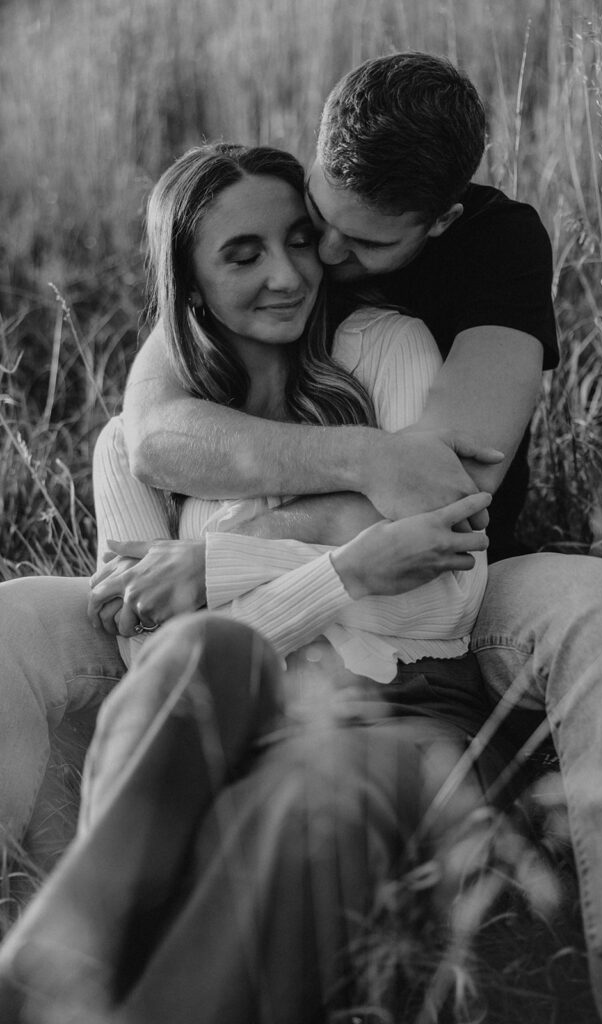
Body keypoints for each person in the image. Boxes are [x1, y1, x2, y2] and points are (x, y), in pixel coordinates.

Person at [107, 52, 602, 1024]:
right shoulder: (267, 215)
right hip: (262, 610)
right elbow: (150, 439)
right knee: (24, 626)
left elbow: (448, 496)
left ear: (437, 223)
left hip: (456, 579)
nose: (316, 261)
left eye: (357, 243)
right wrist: (365, 469)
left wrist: (230, 555)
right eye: (312, 221)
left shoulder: (492, 248)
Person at [0, 140, 513, 1023]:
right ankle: (57, 956)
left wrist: (217, 568)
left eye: (300, 241)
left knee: (304, 802)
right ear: (188, 284)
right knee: (206, 646)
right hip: (217, 718)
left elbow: (446, 596)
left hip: (392, 713)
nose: (288, 275)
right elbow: (147, 644)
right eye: (242, 255)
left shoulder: (388, 352)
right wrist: (349, 567)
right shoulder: (133, 444)